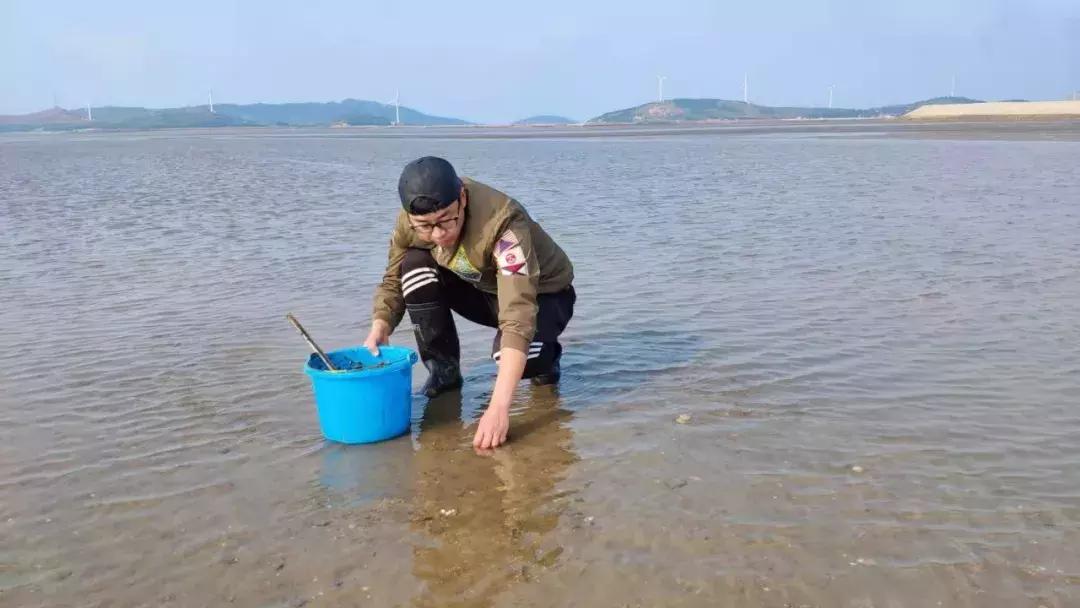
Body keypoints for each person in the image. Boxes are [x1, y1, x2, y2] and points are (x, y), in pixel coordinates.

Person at [364, 156, 576, 449]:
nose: (438, 234)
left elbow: (519, 312)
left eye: (446, 220)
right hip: (483, 292)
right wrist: (381, 324)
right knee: (414, 265)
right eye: (425, 226)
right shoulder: (410, 224)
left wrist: (498, 408)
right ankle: (444, 374)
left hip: (544, 295)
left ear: (462, 197)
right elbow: (392, 279)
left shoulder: (503, 224)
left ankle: (547, 361)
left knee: (514, 360)